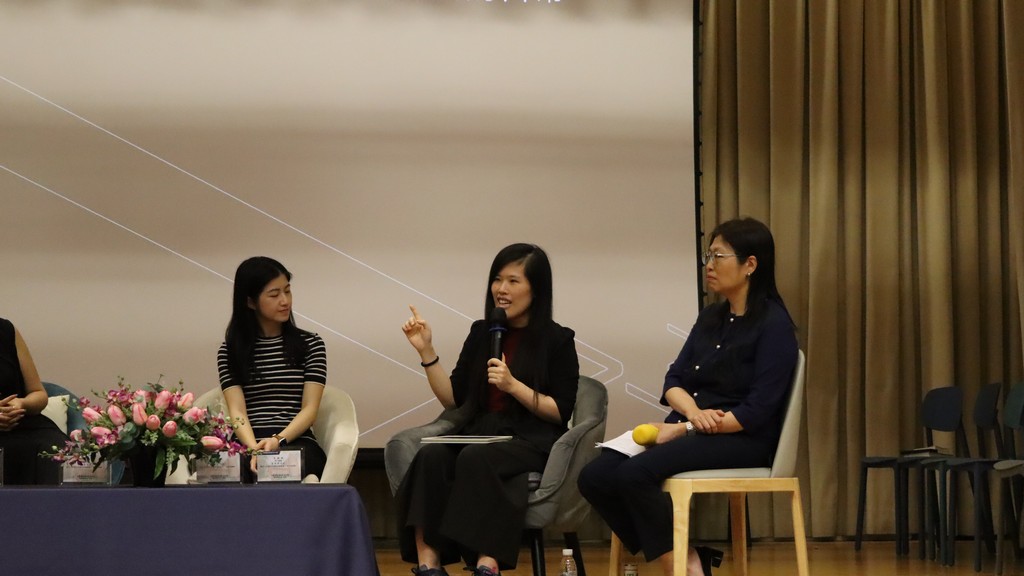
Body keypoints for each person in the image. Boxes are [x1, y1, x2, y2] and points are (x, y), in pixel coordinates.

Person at [577, 217, 799, 576]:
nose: (709, 265)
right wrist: (693, 414)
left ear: (750, 265)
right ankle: (689, 556)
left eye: (718, 256)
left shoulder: (775, 326)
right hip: (694, 426)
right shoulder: (711, 316)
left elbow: (756, 412)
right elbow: (674, 380)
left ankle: (683, 568)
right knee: (595, 476)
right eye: (707, 256)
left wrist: (684, 429)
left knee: (635, 474)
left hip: (743, 438)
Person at [395, 243, 580, 576]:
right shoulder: (482, 332)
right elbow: (453, 399)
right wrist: (426, 351)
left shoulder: (557, 340)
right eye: (497, 279)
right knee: (430, 457)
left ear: (536, 290)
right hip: (482, 432)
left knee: (476, 458)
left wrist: (513, 386)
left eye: (513, 281)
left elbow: (560, 411)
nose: (501, 289)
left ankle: (486, 563)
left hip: (530, 438)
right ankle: (429, 564)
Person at [217, 256, 328, 480]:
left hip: (293, 440)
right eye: (274, 294)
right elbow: (237, 411)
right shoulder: (230, 351)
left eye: (287, 291)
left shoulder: (311, 344)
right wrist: (253, 449)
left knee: (275, 466)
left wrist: (278, 440)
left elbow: (310, 409)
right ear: (250, 302)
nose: (285, 301)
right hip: (247, 443)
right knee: (219, 469)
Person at [0, 318, 66, 485]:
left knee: (58, 449)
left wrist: (21, 404)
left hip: (25, 425)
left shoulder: (6, 330)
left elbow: (38, 393)